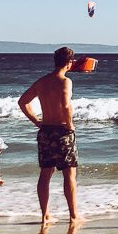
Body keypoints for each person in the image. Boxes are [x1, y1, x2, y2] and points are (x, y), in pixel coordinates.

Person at [18, 47, 83, 224]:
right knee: (69, 174)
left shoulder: (42, 82)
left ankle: (45, 215)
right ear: (70, 62)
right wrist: (69, 124)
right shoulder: (65, 81)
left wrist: (37, 121)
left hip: (45, 131)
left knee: (45, 174)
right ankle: (74, 216)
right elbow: (66, 105)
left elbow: (22, 102)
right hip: (62, 131)